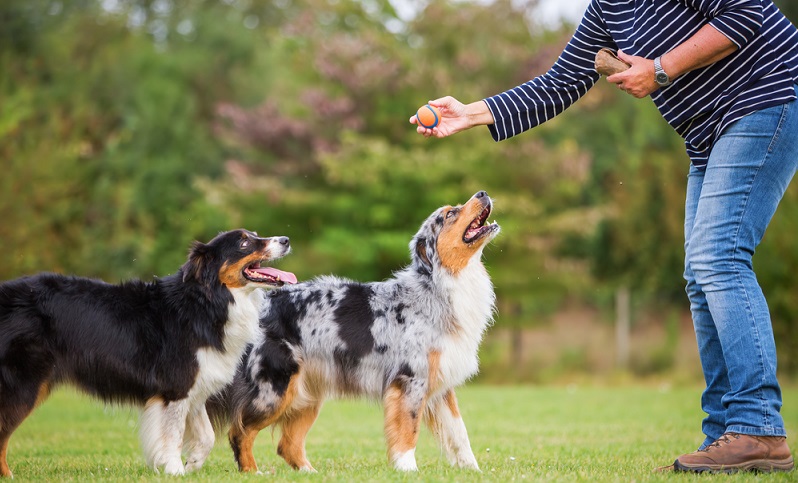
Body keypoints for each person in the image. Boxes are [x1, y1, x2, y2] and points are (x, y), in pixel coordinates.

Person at [411, 0, 798, 474]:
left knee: (718, 258)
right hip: (709, 132)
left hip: (766, 99)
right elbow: (561, 82)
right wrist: (471, 113)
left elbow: (745, 14)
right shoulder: (609, 8)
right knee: (700, 273)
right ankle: (725, 433)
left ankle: (758, 427)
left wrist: (661, 68)